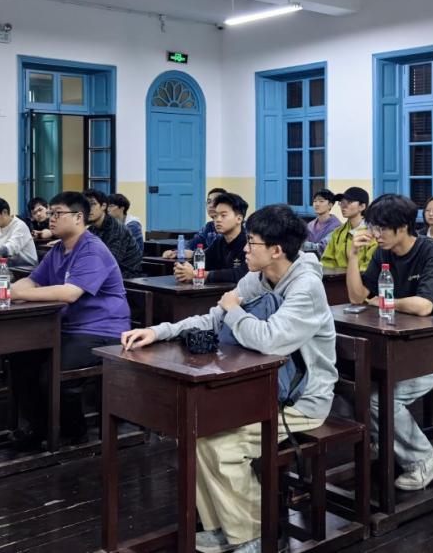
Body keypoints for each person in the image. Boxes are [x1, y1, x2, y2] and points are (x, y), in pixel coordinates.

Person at [121, 204, 337, 553]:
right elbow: (213, 318)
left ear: (276, 250)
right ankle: (227, 527)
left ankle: (259, 535)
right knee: (198, 434)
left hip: (303, 400)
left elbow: (269, 339)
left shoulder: (306, 287)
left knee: (223, 447)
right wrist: (159, 331)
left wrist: (234, 309)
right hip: (259, 389)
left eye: (252, 243)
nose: (245, 250)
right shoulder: (257, 277)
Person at [346, 194, 433, 491]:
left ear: (403, 227)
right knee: (353, 384)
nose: (376, 234)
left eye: (382, 227)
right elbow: (357, 297)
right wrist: (353, 257)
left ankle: (423, 459)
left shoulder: (432, 252)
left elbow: (424, 306)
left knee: (378, 398)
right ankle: (384, 439)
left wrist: (383, 302)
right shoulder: (382, 253)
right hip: (398, 347)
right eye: (374, 227)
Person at [0, 191, 132, 447]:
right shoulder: (58, 250)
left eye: (58, 213)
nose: (51, 218)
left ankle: (74, 431)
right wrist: (7, 289)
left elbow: (70, 293)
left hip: (102, 331)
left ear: (78, 217)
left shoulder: (92, 249)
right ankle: (39, 428)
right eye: (50, 213)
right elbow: (33, 280)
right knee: (21, 358)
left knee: (52, 372)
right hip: (69, 328)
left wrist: (17, 294)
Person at [175, 192, 249, 284]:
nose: (217, 220)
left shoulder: (249, 243)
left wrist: (198, 274)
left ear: (239, 219)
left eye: (223, 215)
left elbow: (241, 274)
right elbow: (203, 261)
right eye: (215, 216)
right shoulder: (219, 241)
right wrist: (183, 270)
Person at [84, 188, 143, 278]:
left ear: (103, 206)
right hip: (103, 274)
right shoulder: (92, 229)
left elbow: (110, 263)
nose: (88, 209)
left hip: (126, 277)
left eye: (92, 204)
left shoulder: (117, 229)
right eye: (85, 205)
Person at [320, 186, 376, 271]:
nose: (343, 206)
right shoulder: (338, 232)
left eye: (349, 202)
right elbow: (327, 261)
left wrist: (351, 275)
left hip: (363, 278)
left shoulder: (372, 233)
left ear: (362, 206)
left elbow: (369, 267)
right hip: (338, 278)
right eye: (342, 203)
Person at [163, 187, 228, 259]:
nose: (211, 205)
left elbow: (220, 254)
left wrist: (193, 254)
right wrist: (175, 252)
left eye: (216, 202)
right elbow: (192, 244)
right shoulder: (209, 226)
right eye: (209, 202)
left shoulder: (230, 227)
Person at [0, 196, 38, 267]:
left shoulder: (20, 226)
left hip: (26, 267)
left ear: (4, 212)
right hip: (6, 264)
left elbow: (9, 249)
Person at [305, 188, 341, 256]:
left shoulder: (337, 226)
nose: (317, 204)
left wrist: (299, 244)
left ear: (330, 205)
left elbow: (322, 247)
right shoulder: (310, 225)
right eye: (315, 201)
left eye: (321, 201)